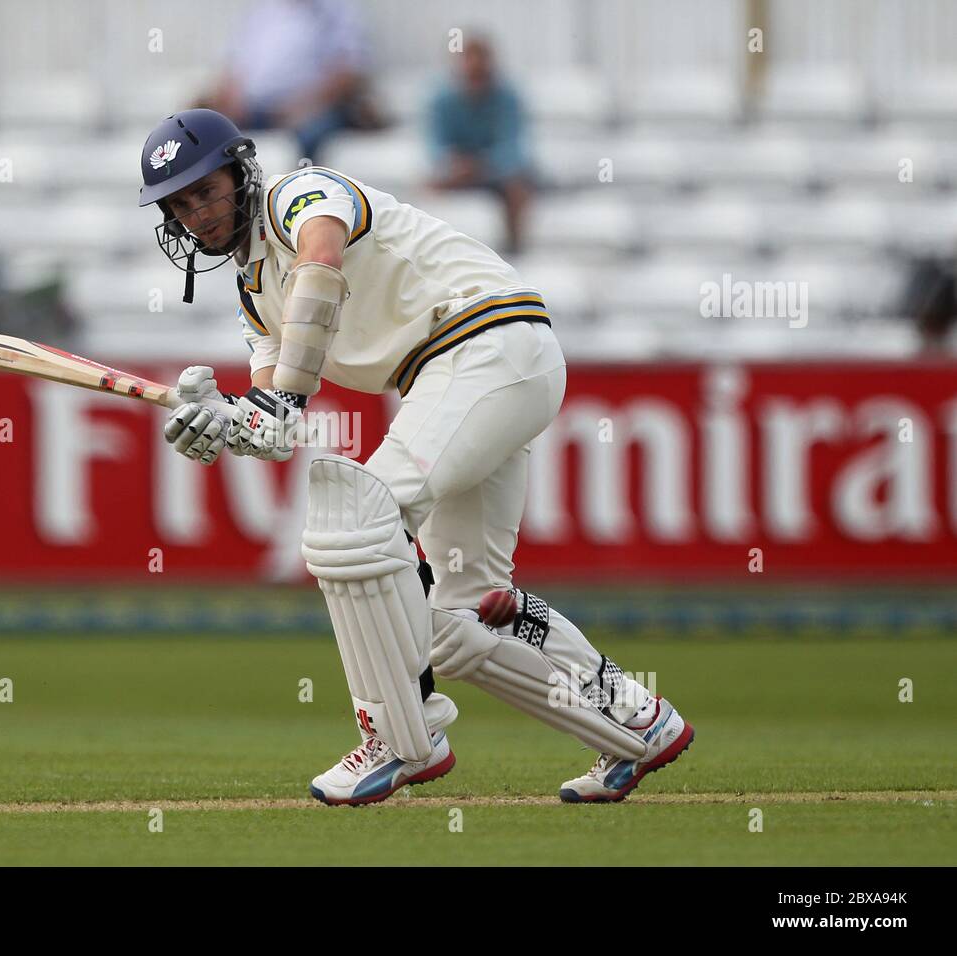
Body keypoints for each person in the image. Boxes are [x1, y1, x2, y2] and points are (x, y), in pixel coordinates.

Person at [138, 109, 695, 806]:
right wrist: (222, 419)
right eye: (179, 206)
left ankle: (402, 740)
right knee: (455, 622)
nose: (197, 215)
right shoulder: (254, 293)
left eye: (205, 190)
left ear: (240, 170)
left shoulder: (299, 195)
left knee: (356, 516)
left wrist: (276, 401)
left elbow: (320, 261)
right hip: (459, 377)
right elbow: (276, 419)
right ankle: (635, 721)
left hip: (486, 344)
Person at [200, 0, 384, 164]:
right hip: (256, 107)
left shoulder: (337, 9)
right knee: (204, 127)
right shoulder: (261, 10)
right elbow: (233, 63)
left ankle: (302, 192)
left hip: (312, 108)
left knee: (311, 135)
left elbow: (349, 70)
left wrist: (304, 106)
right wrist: (232, 99)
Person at [426, 36, 535, 255]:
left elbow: (513, 148)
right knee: (428, 189)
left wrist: (481, 165)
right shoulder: (441, 100)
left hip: (497, 174)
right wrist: (454, 165)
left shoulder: (508, 98)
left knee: (518, 189)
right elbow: (434, 147)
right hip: (457, 172)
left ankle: (514, 252)